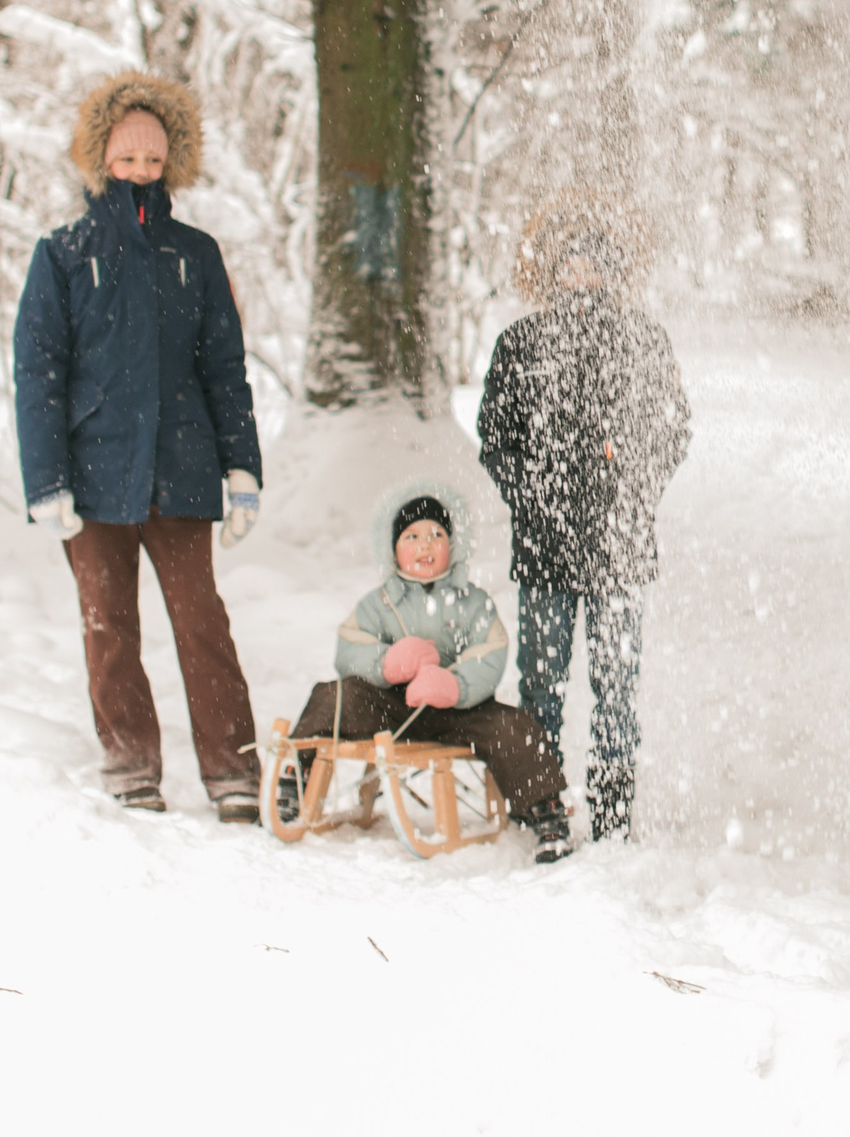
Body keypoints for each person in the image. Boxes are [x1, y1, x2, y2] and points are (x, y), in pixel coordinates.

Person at [13, 71, 266, 824]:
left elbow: (224, 366)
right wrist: (46, 481)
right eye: (126, 158)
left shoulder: (194, 252)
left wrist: (242, 467)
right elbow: (39, 373)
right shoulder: (62, 254)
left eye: (153, 158)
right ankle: (130, 762)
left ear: (172, 161)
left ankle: (233, 768)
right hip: (94, 476)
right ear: (100, 159)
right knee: (109, 626)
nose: (140, 170)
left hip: (182, 470)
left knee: (201, 623)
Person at [477, 195, 691, 842]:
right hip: (543, 547)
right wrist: (531, 495)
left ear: (611, 269)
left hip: (620, 548)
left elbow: (672, 427)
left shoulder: (642, 340)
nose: (579, 274)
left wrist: (635, 490)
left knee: (616, 685)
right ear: (549, 271)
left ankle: (613, 807)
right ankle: (540, 801)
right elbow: (496, 437)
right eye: (567, 263)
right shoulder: (520, 343)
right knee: (541, 682)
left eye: (591, 263)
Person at [277, 483, 574, 862]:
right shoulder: (380, 602)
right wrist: (385, 663)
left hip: (460, 710)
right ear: (393, 549)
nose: (425, 546)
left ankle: (544, 809)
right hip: (392, 708)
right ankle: (295, 774)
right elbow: (349, 647)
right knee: (334, 697)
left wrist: (456, 683)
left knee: (513, 725)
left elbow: (491, 650)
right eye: (412, 537)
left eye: (436, 535)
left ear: (453, 544)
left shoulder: (473, 601)